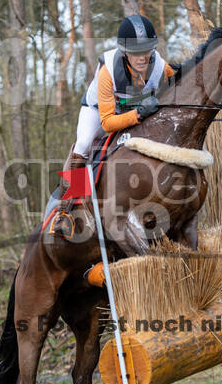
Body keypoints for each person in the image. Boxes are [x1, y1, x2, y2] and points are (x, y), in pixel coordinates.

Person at [51, 14, 178, 238]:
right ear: (124, 52)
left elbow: (176, 79)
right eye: (136, 52)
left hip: (133, 113)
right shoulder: (107, 72)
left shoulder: (158, 63)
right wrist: (138, 114)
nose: (143, 57)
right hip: (98, 112)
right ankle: (65, 210)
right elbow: (108, 122)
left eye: (147, 49)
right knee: (83, 143)